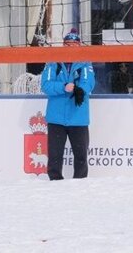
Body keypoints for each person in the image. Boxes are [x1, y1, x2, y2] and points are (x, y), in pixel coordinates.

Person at [40, 29, 94, 180]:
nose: (71, 47)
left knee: (81, 158)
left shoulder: (85, 63)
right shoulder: (52, 62)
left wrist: (77, 90)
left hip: (78, 117)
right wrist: (63, 87)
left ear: (79, 45)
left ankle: (80, 187)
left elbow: (88, 84)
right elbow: (46, 85)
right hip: (56, 119)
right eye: (68, 44)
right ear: (63, 45)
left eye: (74, 44)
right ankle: (55, 186)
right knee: (54, 159)